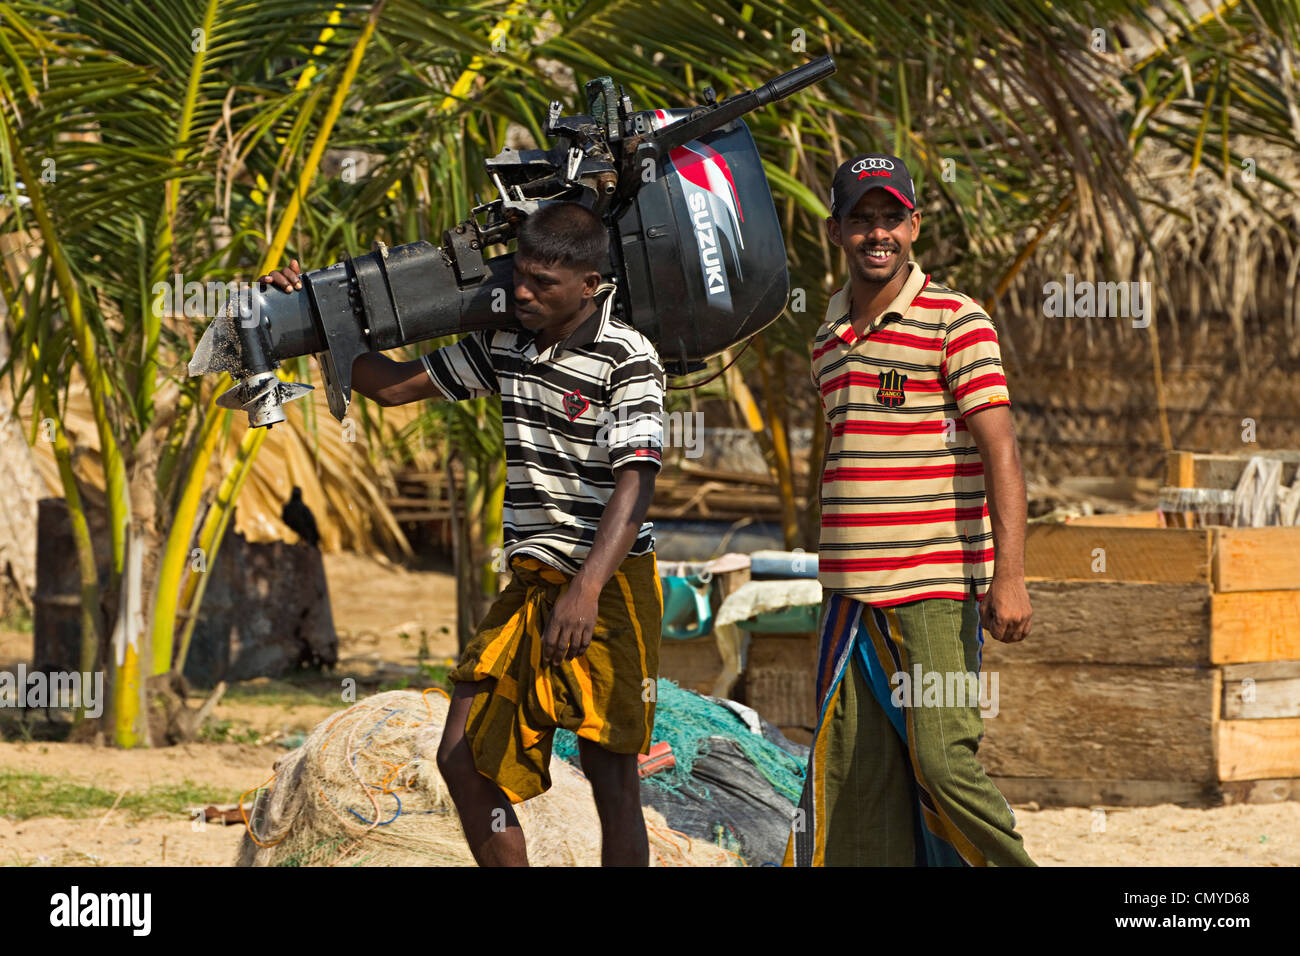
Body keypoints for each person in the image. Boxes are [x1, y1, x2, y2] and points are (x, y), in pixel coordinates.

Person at [259, 202, 666, 866]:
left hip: (611, 585)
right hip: (533, 581)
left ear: (589, 284)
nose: (523, 293)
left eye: (543, 283)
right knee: (460, 754)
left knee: (610, 773)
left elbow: (636, 482)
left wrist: (586, 591)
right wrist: (305, 319)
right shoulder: (506, 342)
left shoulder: (629, 358)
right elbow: (391, 387)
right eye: (521, 277)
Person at [785, 154, 1036, 866]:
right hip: (847, 597)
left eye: (890, 217)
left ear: (914, 225)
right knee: (856, 785)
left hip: (931, 588)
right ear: (836, 230)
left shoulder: (957, 320)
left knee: (945, 764)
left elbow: (1002, 453)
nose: (877, 233)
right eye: (861, 219)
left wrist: (1008, 576)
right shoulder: (827, 341)